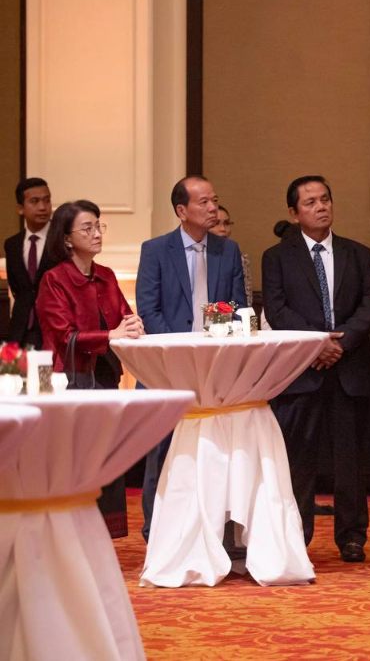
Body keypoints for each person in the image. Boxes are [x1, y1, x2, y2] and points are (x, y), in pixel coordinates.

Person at [262, 175, 370, 563]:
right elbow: (277, 309)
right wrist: (317, 343)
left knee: (350, 461)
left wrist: (340, 344)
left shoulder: (358, 254)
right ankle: (297, 536)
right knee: (299, 461)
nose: (321, 207)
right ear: (293, 212)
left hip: (349, 369)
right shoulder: (277, 257)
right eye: (310, 202)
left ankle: (352, 537)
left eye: (325, 199)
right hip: (301, 372)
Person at [135, 175, 247, 541]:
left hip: (213, 368)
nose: (213, 208)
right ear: (182, 211)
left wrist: (212, 349)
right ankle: (156, 531)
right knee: (163, 450)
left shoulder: (227, 250)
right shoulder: (155, 250)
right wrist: (181, 353)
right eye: (204, 202)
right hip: (166, 367)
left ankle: (210, 530)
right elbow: (149, 310)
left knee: (214, 449)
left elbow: (234, 306)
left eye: (215, 200)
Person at [35, 199, 144, 537]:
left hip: (104, 376)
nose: (97, 234)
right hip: (64, 380)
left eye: (99, 226)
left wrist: (134, 325)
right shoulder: (54, 279)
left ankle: (102, 535)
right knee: (72, 462)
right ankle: (65, 535)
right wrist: (111, 334)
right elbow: (63, 335)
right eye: (88, 228)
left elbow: (123, 318)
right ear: (67, 238)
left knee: (105, 458)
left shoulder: (106, 275)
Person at [4, 177, 53, 348]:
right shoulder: (12, 245)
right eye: (35, 201)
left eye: (47, 200)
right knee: (15, 367)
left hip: (54, 330)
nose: (43, 207)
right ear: (20, 208)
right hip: (20, 331)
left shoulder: (62, 240)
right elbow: (17, 289)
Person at [209, 204, 253, 306]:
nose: (223, 229)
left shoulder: (239, 256)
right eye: (216, 224)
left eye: (227, 223)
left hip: (228, 313)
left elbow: (246, 298)